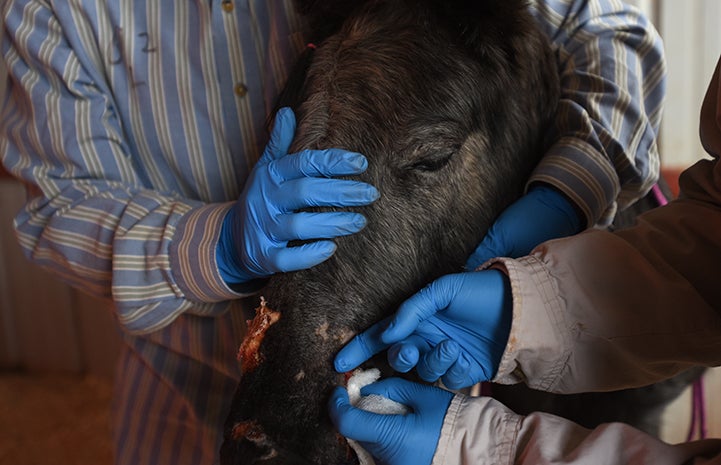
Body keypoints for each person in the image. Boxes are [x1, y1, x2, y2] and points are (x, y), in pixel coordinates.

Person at [0, 0, 665, 464]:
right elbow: (57, 206)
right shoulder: (52, 9)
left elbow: (607, 29)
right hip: (181, 395)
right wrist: (215, 244)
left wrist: (567, 188)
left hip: (413, 396)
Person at [328, 55, 721, 465]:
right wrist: (524, 309)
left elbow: (620, 39)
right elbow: (712, 242)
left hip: (623, 276)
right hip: (594, 275)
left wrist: (475, 448)